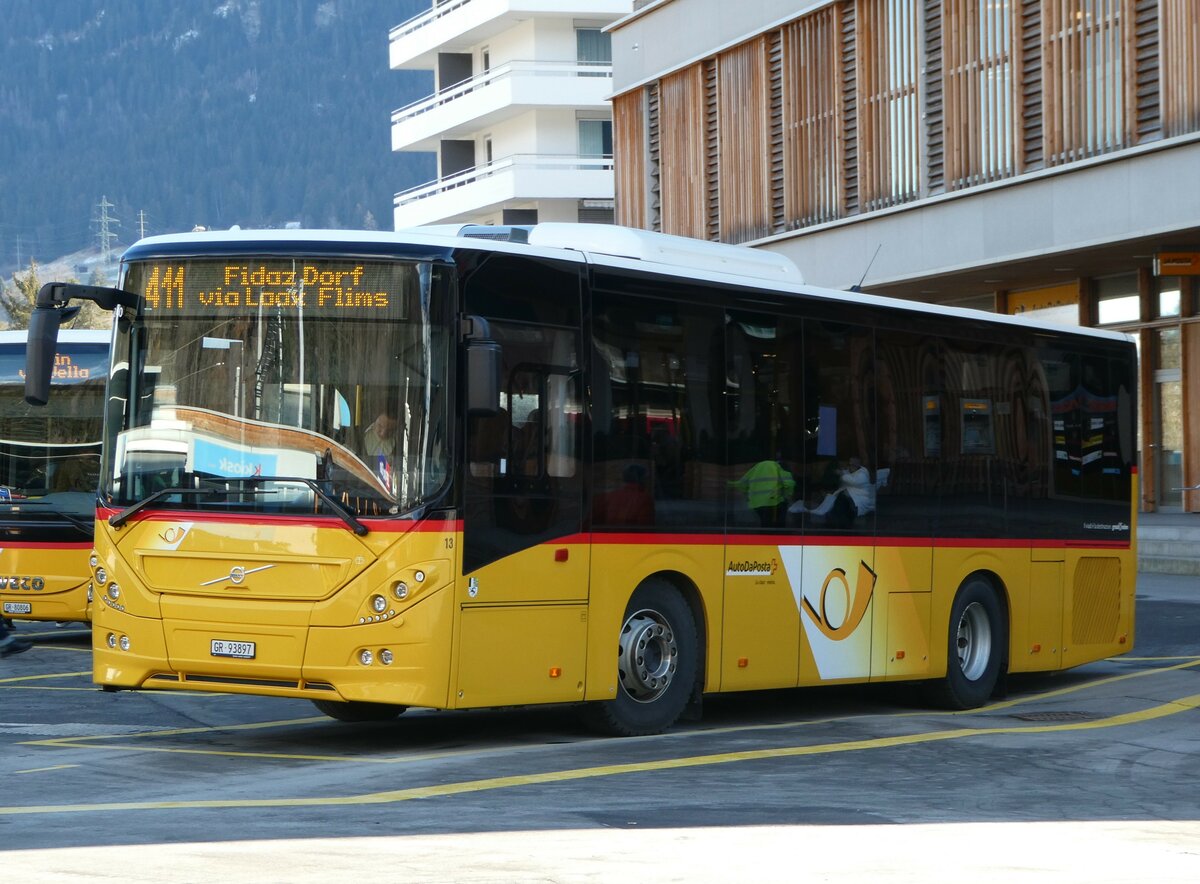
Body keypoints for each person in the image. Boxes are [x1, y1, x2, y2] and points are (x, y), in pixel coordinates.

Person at [791, 455, 874, 527]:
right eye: (849, 464)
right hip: (848, 498)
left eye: (852, 465)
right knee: (834, 502)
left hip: (857, 500)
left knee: (840, 505)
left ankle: (840, 525)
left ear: (857, 465)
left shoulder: (862, 474)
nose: (849, 466)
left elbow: (852, 480)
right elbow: (846, 475)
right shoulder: (851, 472)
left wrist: (841, 473)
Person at [732, 456, 796, 528]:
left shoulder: (756, 467)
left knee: (765, 524)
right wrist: (787, 496)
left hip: (756, 503)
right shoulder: (780, 466)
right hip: (775, 501)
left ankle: (764, 536)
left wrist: (747, 495)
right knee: (779, 525)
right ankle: (779, 537)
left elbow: (741, 484)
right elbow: (789, 484)